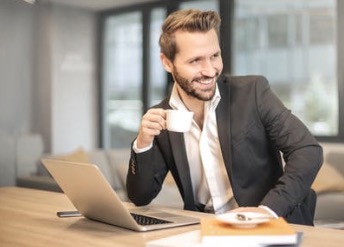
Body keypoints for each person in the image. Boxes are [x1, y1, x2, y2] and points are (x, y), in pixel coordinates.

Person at [126, 9, 323, 225]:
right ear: (167, 63)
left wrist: (268, 210)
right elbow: (140, 197)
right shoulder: (162, 116)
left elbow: (307, 151)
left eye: (215, 56)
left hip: (269, 223)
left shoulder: (253, 92)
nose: (210, 70)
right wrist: (143, 143)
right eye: (195, 61)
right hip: (205, 227)